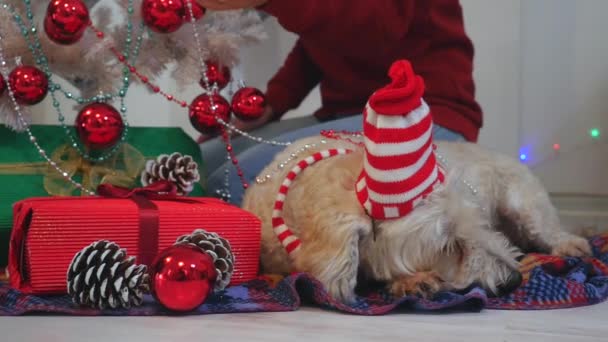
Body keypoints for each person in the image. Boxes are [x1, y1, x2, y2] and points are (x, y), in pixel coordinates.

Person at [197, 0, 482, 205]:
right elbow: (319, 43)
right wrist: (274, 103)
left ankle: (215, 269)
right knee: (200, 162)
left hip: (420, 114)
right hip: (345, 114)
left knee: (231, 183)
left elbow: (375, 29)